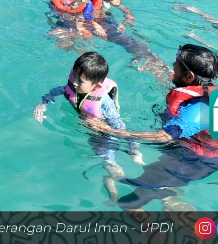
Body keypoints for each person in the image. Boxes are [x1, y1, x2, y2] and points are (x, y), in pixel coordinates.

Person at [88, 45, 218, 210]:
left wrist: (109, 130)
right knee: (154, 180)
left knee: (128, 203)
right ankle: (168, 194)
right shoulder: (200, 89)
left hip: (195, 162)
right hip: (189, 151)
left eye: (177, 64)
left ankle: (155, 231)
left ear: (189, 76)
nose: (173, 65)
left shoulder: (198, 109)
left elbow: (163, 137)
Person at [32, 52, 143, 202]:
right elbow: (53, 92)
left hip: (104, 129)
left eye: (81, 81)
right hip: (91, 129)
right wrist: (42, 105)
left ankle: (122, 163)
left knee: (108, 153)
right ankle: (111, 177)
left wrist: (131, 146)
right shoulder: (72, 88)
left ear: (96, 86)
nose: (75, 83)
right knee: (105, 156)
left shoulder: (104, 102)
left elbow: (119, 126)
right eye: (75, 77)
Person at [49, 0, 167, 81]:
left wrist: (127, 19)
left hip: (102, 23)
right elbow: (55, 4)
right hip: (73, 21)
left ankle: (157, 65)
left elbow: (124, 9)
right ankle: (84, 67)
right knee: (57, 37)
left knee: (128, 42)